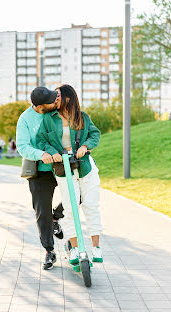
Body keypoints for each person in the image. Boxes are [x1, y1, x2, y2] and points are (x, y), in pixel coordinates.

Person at [36, 84, 103, 265]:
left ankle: (96, 247)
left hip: (86, 168)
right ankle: (73, 249)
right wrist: (52, 152)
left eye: (57, 95)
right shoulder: (48, 119)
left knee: (90, 205)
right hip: (63, 168)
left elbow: (95, 134)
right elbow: (42, 140)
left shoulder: (82, 118)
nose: (54, 98)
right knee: (70, 208)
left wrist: (84, 146)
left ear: (68, 97)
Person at [16, 87, 64, 271]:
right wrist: (41, 154)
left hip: (62, 166)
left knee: (80, 194)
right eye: (50, 102)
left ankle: (56, 217)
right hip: (40, 171)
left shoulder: (56, 111)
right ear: (38, 106)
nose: (54, 103)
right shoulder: (25, 119)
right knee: (41, 212)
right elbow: (22, 146)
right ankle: (49, 251)